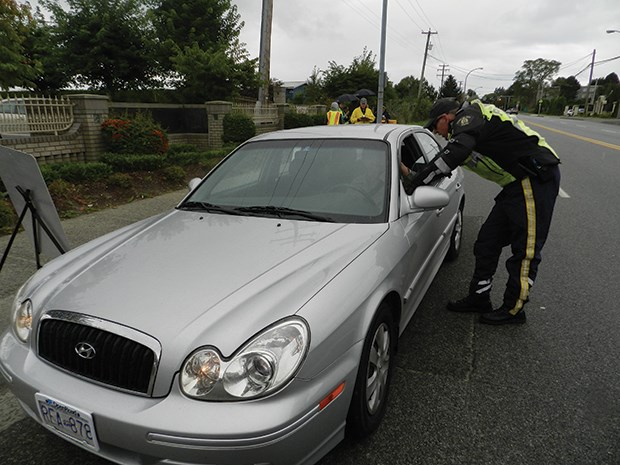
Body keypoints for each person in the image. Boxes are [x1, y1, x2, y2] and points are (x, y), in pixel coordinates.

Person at [401, 97, 561, 325]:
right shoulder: (468, 134)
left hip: (534, 178)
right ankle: (479, 298)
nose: (438, 133)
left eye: (436, 127)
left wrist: (413, 185)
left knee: (525, 250)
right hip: (514, 185)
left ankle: (514, 310)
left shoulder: (470, 116)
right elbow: (440, 160)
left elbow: (453, 154)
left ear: (446, 118)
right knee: (487, 242)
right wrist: (409, 172)